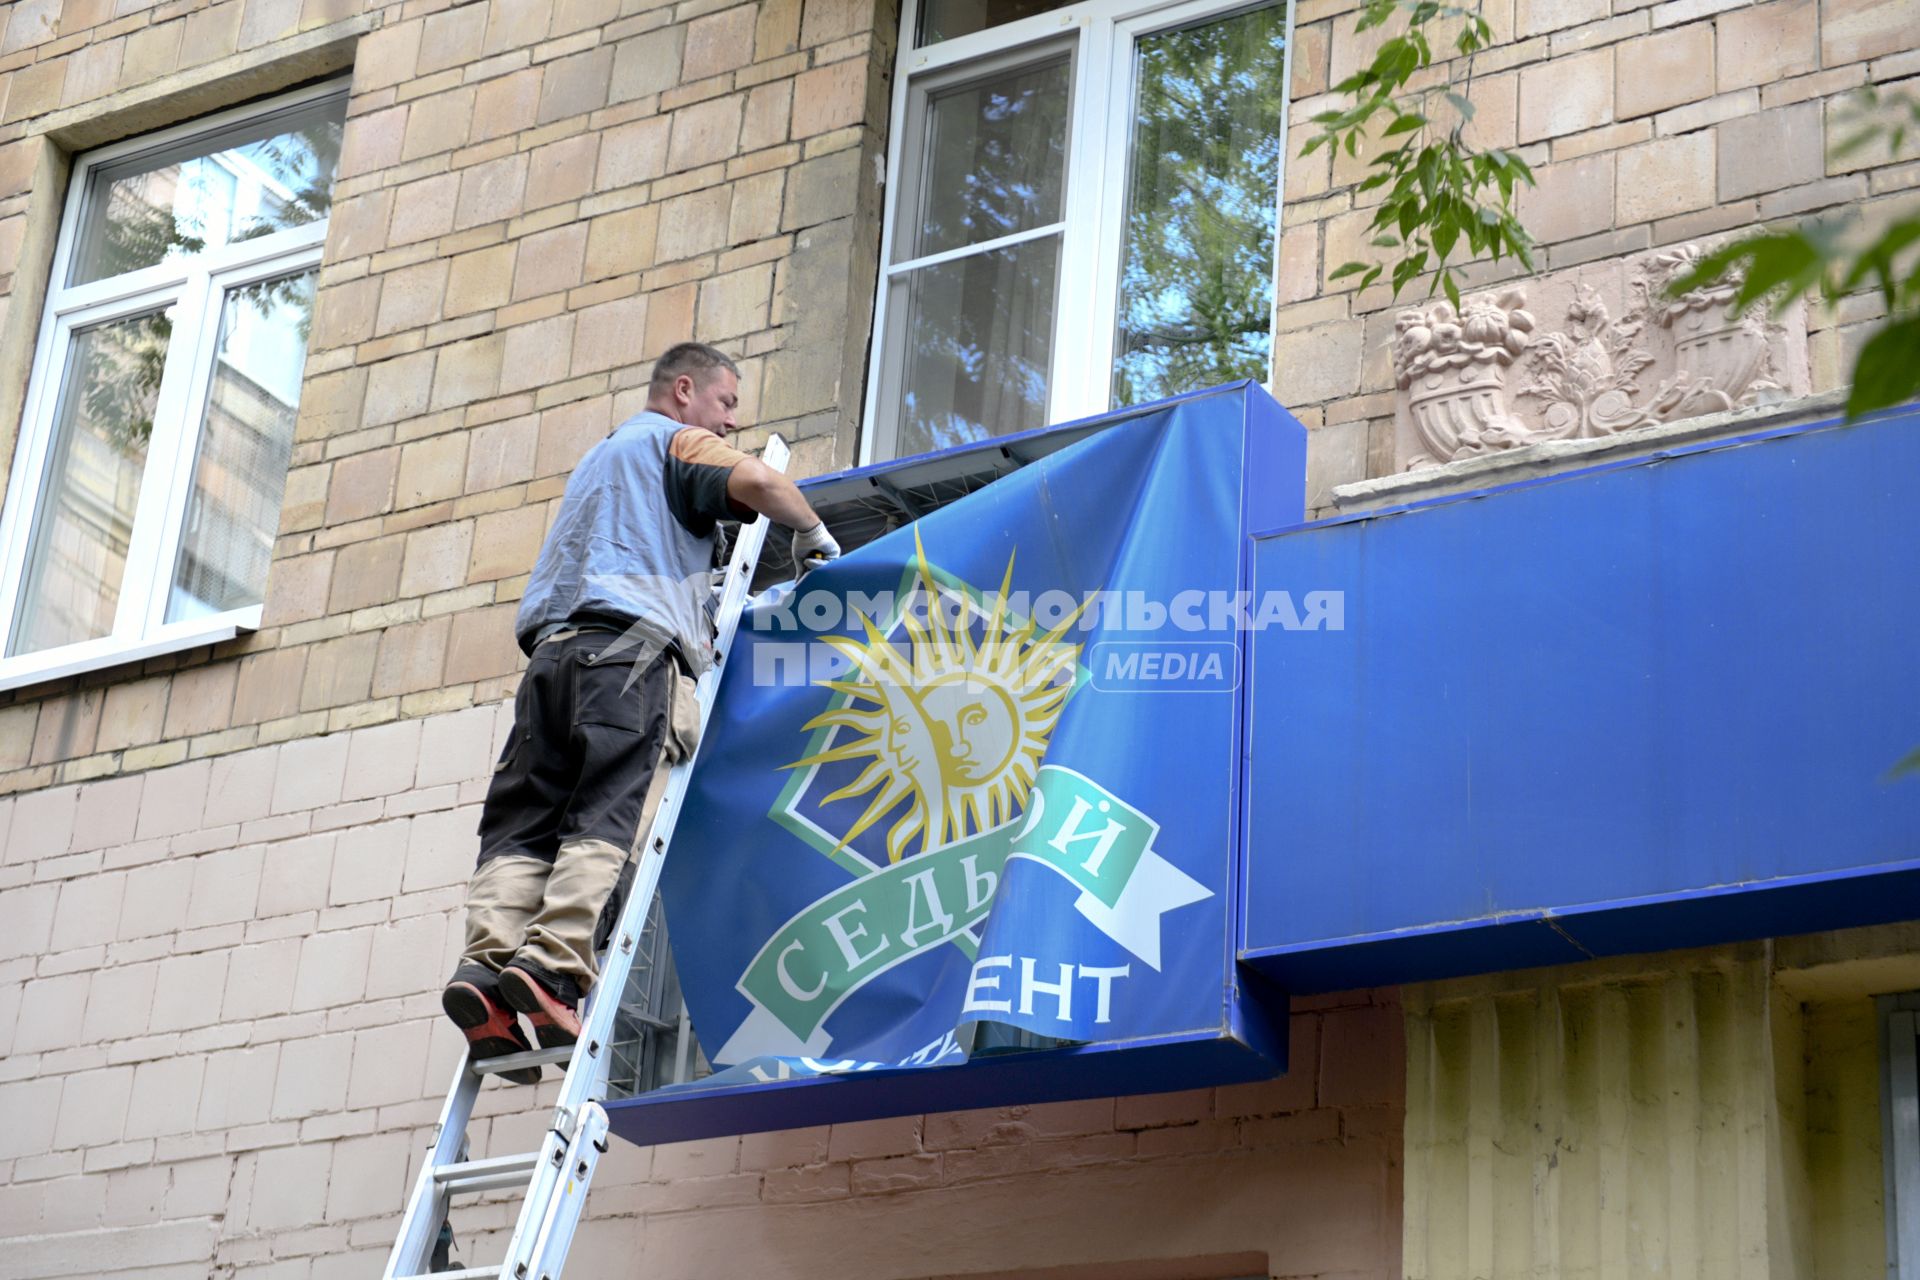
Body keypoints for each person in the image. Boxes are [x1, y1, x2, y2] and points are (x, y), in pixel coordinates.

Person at [441, 341, 838, 1079]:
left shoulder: (599, 461)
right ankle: (556, 970)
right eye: (726, 407)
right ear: (684, 390)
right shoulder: (675, 441)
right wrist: (816, 540)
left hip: (549, 665)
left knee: (523, 827)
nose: (728, 427)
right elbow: (756, 480)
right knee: (608, 815)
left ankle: (486, 973)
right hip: (627, 662)